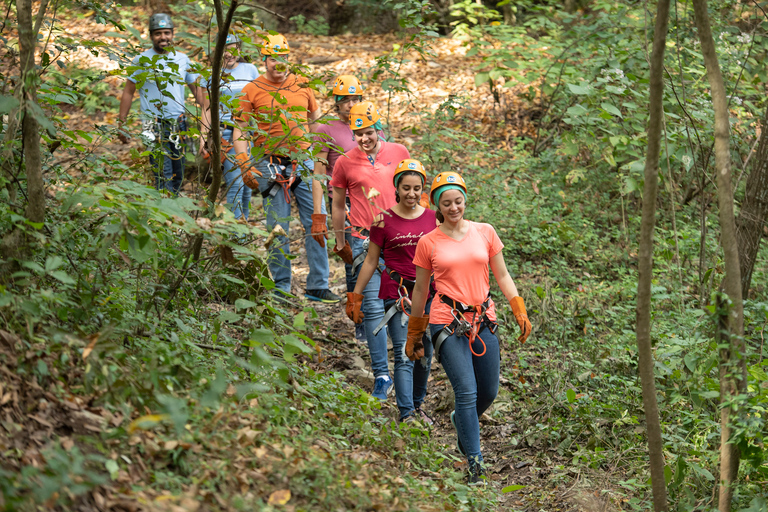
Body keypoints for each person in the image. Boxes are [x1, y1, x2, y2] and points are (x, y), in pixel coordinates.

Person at [407, 171, 532, 483]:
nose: (453, 208)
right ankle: (475, 464)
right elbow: (421, 290)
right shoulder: (428, 242)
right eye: (446, 203)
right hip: (446, 321)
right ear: (437, 205)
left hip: (483, 317)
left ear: (465, 200)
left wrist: (518, 306)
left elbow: (501, 275)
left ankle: (461, 422)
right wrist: (415, 331)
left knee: (488, 391)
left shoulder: (485, 232)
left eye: (458, 201)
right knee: (466, 390)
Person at [231, 33, 340, 303]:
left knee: (317, 219)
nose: (277, 64)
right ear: (264, 60)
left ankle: (318, 285)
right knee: (277, 226)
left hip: (303, 159)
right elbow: (240, 129)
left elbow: (316, 124)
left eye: (282, 59)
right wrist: (244, 163)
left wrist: (322, 158)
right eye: (272, 59)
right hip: (269, 162)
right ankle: (281, 286)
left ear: (288, 59)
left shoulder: (302, 85)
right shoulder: (251, 89)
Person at [346, 159, 437, 423]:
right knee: (404, 350)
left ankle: (417, 405)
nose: (411, 193)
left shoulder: (434, 219)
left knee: (425, 352)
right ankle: (406, 412)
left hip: (429, 293)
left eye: (416, 188)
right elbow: (371, 260)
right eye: (406, 187)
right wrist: (356, 295)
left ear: (423, 189)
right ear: (396, 187)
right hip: (397, 293)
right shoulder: (383, 221)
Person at [331, 100, 410, 400]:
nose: (363, 139)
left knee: (399, 303)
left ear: (378, 128)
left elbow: (413, 189)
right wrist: (340, 242)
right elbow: (338, 205)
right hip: (364, 240)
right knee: (373, 306)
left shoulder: (399, 153)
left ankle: (403, 366)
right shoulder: (344, 162)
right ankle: (381, 374)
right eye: (357, 134)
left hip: (400, 239)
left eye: (368, 132)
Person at [118, 13, 203, 195]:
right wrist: (121, 124)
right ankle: (164, 214)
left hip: (178, 123)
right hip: (151, 122)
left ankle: (174, 208)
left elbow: (197, 90)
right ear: (151, 36)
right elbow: (128, 91)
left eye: (166, 32)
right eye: (158, 33)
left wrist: (209, 116)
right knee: (161, 171)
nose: (163, 37)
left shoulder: (182, 59)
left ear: (173, 34)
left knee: (178, 169)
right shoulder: (141, 60)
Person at [313, 75, 364, 338]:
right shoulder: (327, 130)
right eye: (345, 100)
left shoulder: (371, 125)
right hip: (342, 203)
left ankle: (377, 314)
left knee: (377, 260)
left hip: (371, 202)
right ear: (336, 103)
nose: (350, 104)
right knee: (353, 259)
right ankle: (359, 321)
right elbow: (319, 174)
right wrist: (318, 212)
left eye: (355, 99)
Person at [200, 33, 260, 220]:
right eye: (224, 49)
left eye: (233, 48)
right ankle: (235, 231)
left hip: (247, 132)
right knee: (236, 182)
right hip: (224, 132)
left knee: (248, 182)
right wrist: (203, 137)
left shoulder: (250, 70)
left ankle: (243, 224)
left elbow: (260, 102)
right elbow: (207, 108)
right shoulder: (210, 74)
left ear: (240, 49)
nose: (229, 53)